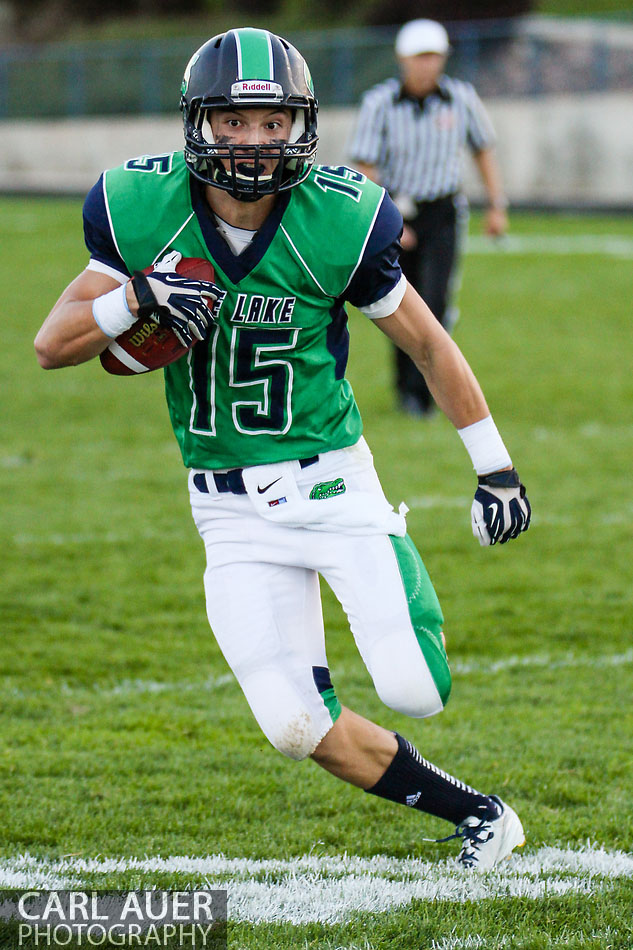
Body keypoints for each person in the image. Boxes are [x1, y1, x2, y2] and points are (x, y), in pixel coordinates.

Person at [35, 27, 531, 871]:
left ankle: (390, 538)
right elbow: (54, 345)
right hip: (224, 509)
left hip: (330, 486)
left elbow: (428, 344)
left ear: (300, 124)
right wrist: (137, 298)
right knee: (294, 726)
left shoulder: (337, 215)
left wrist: (495, 468)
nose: (255, 142)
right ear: (199, 124)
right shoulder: (137, 207)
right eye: (235, 122)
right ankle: (483, 816)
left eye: (273, 123)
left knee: (416, 690)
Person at [348, 18, 509, 417]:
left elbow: (483, 149)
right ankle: (406, 388)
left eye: (434, 57)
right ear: (403, 59)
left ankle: (430, 392)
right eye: (420, 57)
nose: (427, 65)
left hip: (442, 211)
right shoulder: (379, 103)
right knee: (397, 302)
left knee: (436, 302)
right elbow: (366, 165)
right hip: (395, 210)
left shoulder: (461, 99)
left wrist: (497, 204)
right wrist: (385, 218)